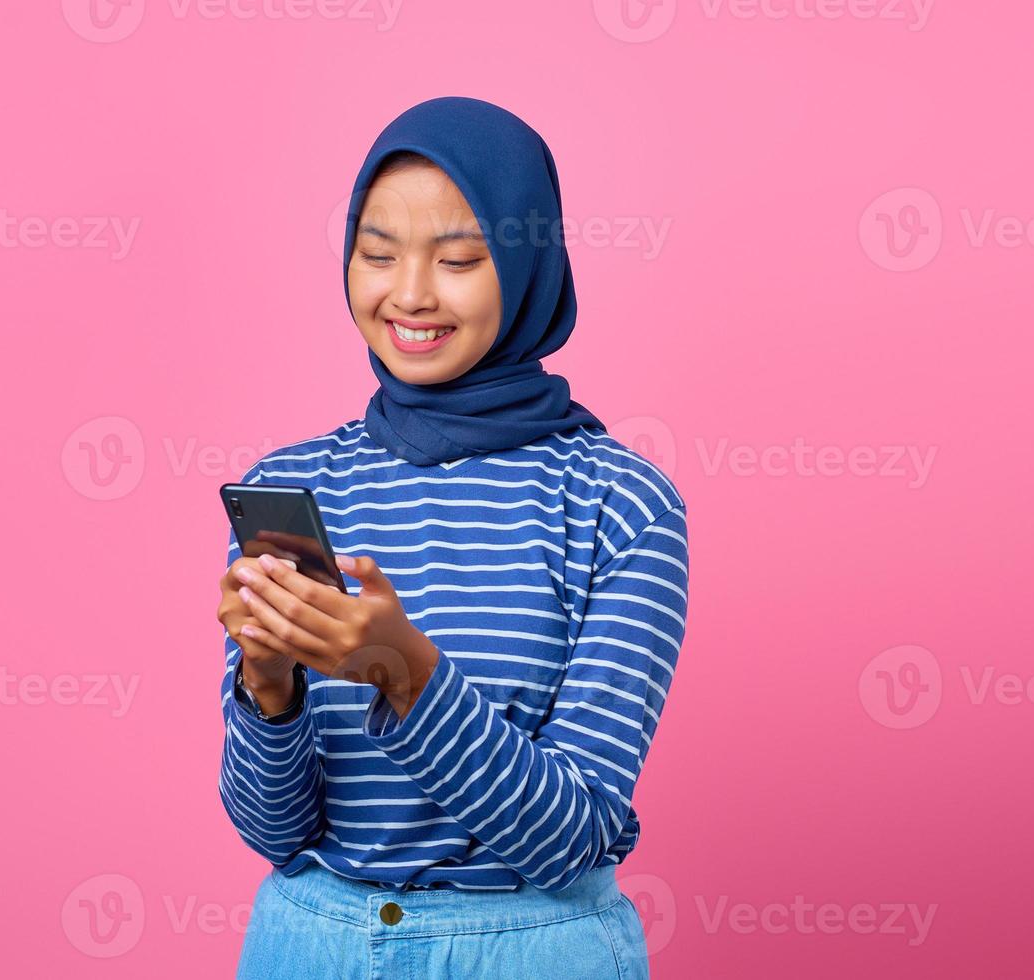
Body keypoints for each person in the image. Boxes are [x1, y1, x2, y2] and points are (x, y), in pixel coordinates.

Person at [215, 95, 689, 978]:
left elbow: (567, 836)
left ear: (527, 263)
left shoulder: (620, 504)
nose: (411, 294)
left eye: (460, 259)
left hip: (533, 949)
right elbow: (272, 830)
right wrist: (268, 685)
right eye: (377, 253)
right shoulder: (296, 489)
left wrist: (405, 672)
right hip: (308, 948)